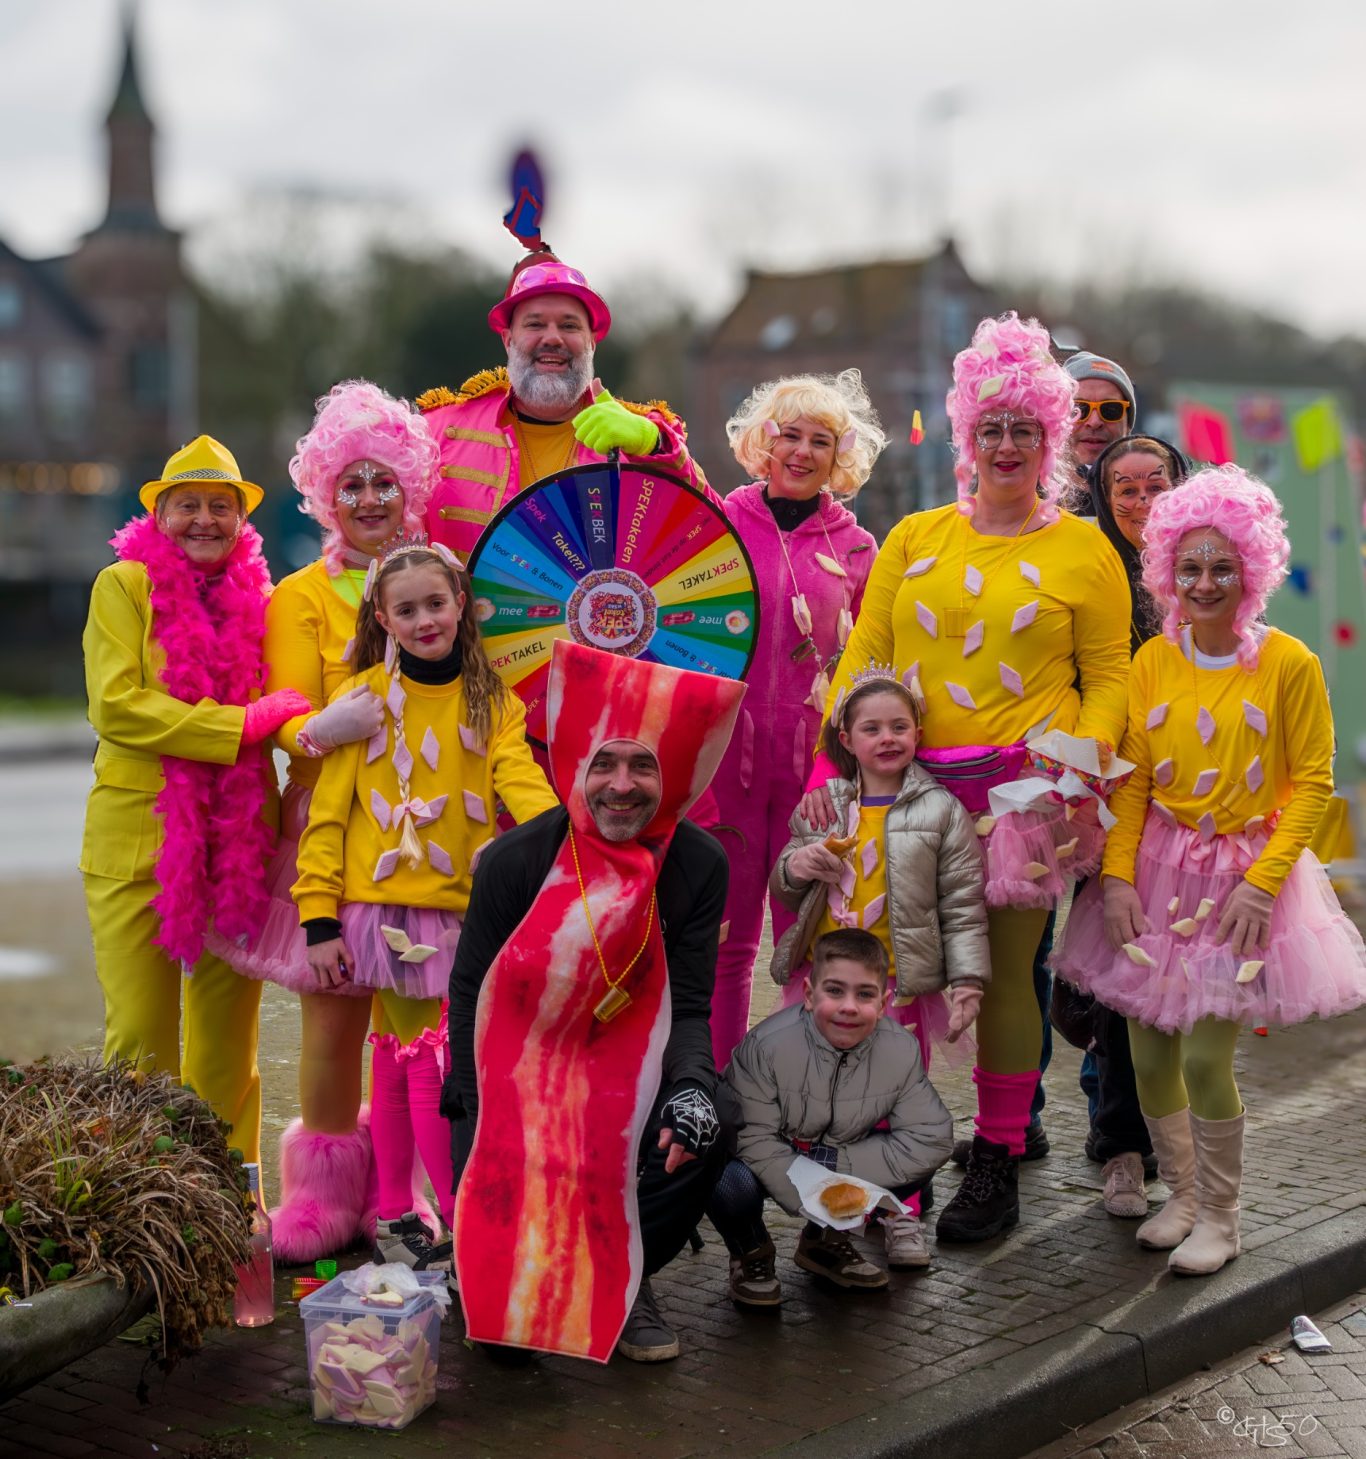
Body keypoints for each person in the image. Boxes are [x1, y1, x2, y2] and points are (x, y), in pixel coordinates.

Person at [806, 312, 1131, 1243]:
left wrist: (1073, 766)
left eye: (1024, 427)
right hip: (905, 791)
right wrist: (837, 756)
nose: (1006, 444)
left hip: (1024, 796)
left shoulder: (1084, 550)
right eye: (990, 426)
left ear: (1050, 437)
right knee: (893, 972)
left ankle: (995, 1157)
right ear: (966, 433)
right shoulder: (914, 537)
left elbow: (1109, 677)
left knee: (1001, 977)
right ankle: (889, 1157)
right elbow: (866, 652)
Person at [1053, 467, 1366, 1275]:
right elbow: (1132, 783)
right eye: (1189, 566)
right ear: (1166, 571)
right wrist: (1116, 880)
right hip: (1156, 872)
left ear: (1251, 569)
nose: (1204, 582)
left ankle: (1223, 1218)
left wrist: (1263, 884)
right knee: (1149, 1054)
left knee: (1203, 1056)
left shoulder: (1290, 662)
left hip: (1242, 881)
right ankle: (1186, 1196)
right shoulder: (1153, 661)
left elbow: (1314, 781)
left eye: (1222, 566)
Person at [447, 640, 744, 1364]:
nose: (621, 785)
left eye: (643, 765)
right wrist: (481, 1112)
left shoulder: (700, 865)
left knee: (715, 1121)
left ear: (674, 773)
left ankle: (629, 1272)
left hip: (629, 1073)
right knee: (508, 1350)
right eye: (604, 763)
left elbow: (691, 1006)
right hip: (513, 1076)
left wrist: (692, 1088)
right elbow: (469, 991)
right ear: (576, 765)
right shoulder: (517, 860)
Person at [213, 381, 441, 1261]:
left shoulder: (439, 581)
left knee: (418, 1023)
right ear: (325, 494)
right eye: (353, 484)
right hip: (334, 829)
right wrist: (331, 722)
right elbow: (288, 716)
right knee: (334, 1015)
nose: (370, 498)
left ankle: (401, 1193)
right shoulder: (302, 595)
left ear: (410, 488)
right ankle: (319, 1198)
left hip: (430, 829)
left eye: (385, 481)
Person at [293, 543, 557, 1268]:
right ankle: (452, 1212)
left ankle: (395, 1211)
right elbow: (328, 816)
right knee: (431, 1061)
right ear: (383, 619)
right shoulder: (364, 701)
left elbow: (521, 780)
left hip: (460, 908)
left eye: (436, 604)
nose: (424, 620)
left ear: (461, 605)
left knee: (399, 1053)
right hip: (385, 916)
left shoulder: (491, 700)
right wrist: (318, 917)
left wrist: (553, 839)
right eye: (405, 610)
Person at [80, 436, 310, 1165]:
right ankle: (139, 1201)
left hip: (238, 842)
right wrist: (239, 725)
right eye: (188, 505)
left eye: (221, 506)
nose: (205, 519)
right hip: (138, 844)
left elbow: (298, 699)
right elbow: (116, 706)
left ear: (242, 520)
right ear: (159, 514)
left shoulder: (268, 599)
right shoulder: (122, 586)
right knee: (139, 1040)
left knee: (227, 1047)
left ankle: (233, 1205)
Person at [768, 669, 988, 1263]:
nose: (887, 738)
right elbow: (785, 884)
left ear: (918, 733)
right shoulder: (825, 808)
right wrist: (798, 866)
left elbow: (963, 904)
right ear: (845, 737)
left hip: (896, 991)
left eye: (899, 726)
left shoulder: (941, 811)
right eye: (871, 728)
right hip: (824, 986)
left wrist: (968, 980)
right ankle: (834, 1213)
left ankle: (901, 1215)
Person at [707, 370, 885, 1068]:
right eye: (790, 435)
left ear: (839, 456)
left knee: (806, 934)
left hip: (816, 772)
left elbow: (871, 666)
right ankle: (716, 1083)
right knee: (726, 938)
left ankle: (801, 1086)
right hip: (726, 761)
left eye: (821, 441)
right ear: (764, 441)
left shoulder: (859, 548)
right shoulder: (717, 524)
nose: (802, 452)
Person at [1060, 433, 1192, 1221]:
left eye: (1156, 485)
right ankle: (1121, 1148)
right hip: (1111, 802)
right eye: (1126, 489)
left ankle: (1184, 1152)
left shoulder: (1209, 568)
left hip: (1195, 811)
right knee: (1116, 985)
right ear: (1105, 501)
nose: (1143, 502)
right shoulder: (1093, 569)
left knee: (1180, 983)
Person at [418, 248, 716, 563]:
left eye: (569, 326)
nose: (553, 338)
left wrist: (653, 445)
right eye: (535, 324)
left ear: (592, 343)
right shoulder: (436, 430)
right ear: (508, 340)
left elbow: (714, 538)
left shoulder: (641, 437)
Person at [710, 929, 953, 1305]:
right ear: (809, 994)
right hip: (763, 1160)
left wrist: (836, 1175)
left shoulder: (901, 1050)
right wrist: (815, 1189)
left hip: (838, 1156)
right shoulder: (765, 1046)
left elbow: (930, 1136)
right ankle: (751, 1251)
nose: (849, 1007)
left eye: (865, 994)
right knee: (723, 1178)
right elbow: (750, 1138)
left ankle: (824, 1243)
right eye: (835, 991)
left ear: (883, 1003)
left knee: (914, 1164)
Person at [1065, 350, 1138, 484]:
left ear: (1128, 425)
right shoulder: (1027, 492)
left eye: (1110, 409)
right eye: (1079, 409)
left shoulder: (1153, 493)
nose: (1094, 422)